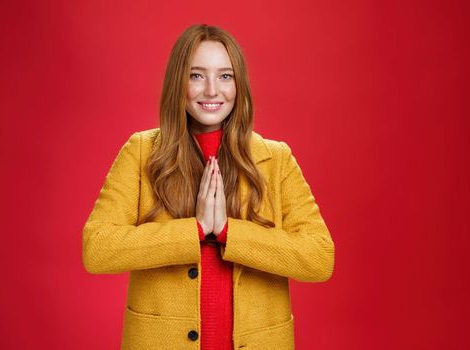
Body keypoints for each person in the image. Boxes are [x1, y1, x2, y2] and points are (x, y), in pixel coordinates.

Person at [82, 24, 334, 349]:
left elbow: (319, 257)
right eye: (196, 75)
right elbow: (97, 248)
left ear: (239, 85)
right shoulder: (141, 151)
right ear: (178, 82)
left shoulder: (276, 158)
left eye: (225, 76)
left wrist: (229, 231)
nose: (212, 90)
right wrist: (195, 230)